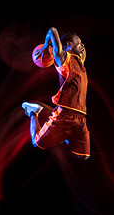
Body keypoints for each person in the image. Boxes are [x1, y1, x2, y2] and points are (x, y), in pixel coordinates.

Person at [22, 27, 90, 160]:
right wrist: (47, 45)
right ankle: (33, 112)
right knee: (37, 143)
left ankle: (65, 136)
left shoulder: (80, 62)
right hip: (65, 115)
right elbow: (52, 30)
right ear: (69, 45)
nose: (82, 45)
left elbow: (82, 50)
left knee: (83, 157)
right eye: (79, 42)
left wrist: (80, 46)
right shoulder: (63, 58)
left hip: (81, 117)